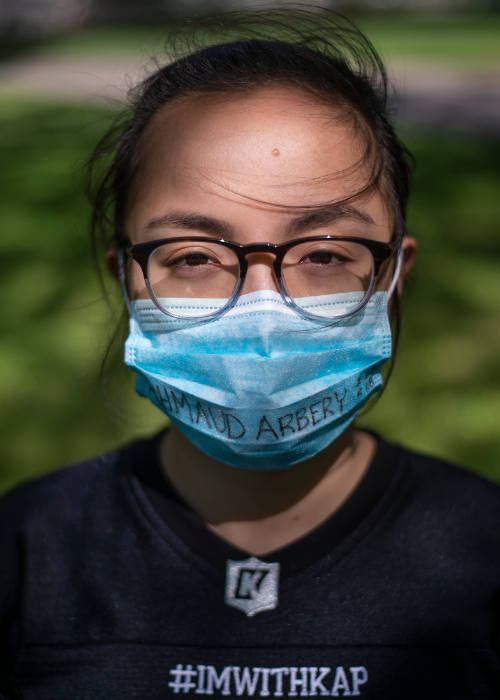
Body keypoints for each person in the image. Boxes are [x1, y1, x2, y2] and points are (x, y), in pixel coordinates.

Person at [1, 9, 499, 700]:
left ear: (392, 276)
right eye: (195, 256)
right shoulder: (28, 553)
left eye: (324, 253)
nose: (262, 309)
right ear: (126, 278)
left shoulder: (482, 555)